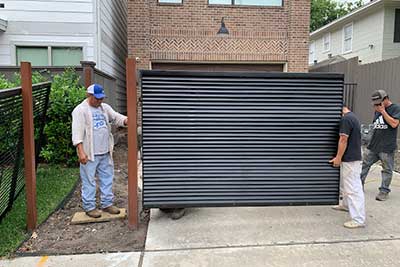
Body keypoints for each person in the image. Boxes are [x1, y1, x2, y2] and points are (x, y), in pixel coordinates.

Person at [72, 84, 128, 218]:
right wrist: (80, 151)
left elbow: (116, 117)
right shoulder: (81, 110)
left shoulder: (104, 108)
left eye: (101, 98)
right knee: (89, 180)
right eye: (97, 98)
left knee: (107, 178)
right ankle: (89, 207)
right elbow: (77, 132)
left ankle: (107, 204)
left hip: (105, 151)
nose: (99, 101)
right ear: (89, 96)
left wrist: (126, 120)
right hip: (89, 153)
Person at [360, 90, 400, 201]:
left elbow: (394, 124)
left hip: (387, 147)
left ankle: (384, 191)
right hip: (374, 145)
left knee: (387, 169)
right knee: (364, 165)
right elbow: (375, 126)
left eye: (379, 103)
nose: (377, 106)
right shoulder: (377, 110)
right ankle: (359, 185)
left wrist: (383, 111)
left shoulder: (395, 109)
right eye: (375, 104)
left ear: (386, 99)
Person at [329, 106, 365, 229]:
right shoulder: (352, 117)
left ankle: (358, 219)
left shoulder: (346, 119)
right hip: (351, 157)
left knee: (353, 188)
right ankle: (345, 205)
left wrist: (338, 157)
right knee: (345, 185)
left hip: (351, 159)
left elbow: (343, 139)